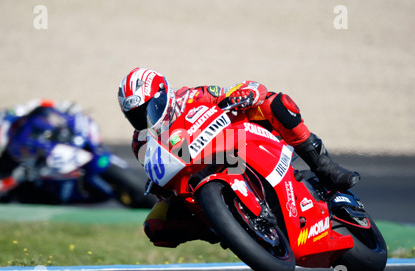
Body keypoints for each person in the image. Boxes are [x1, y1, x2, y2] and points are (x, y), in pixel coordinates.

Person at [118, 67, 360, 247]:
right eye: (136, 116)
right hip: (193, 179)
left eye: (148, 110)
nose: (145, 120)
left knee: (273, 102)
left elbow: (238, 91)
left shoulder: (190, 97)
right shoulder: (141, 142)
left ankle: (324, 166)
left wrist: (244, 94)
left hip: (236, 146)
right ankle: (224, 227)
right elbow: (159, 174)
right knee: (156, 226)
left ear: (164, 96)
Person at [0, 99, 83, 202]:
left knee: (38, 118)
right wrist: (15, 178)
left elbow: (33, 104)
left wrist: (60, 105)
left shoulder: (5, 116)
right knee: (7, 197)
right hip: (11, 171)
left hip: (25, 148)